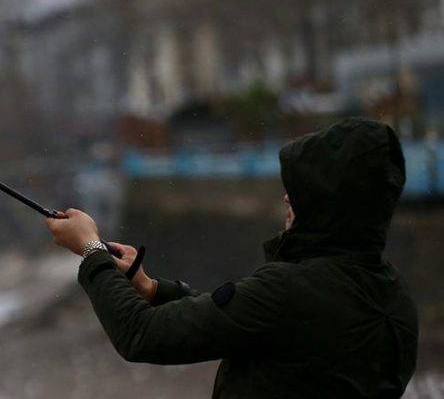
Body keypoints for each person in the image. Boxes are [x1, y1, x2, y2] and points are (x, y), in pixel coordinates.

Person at [46, 118, 419, 397]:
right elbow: (254, 326)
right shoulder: (395, 297)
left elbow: (142, 335)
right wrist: (153, 289)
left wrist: (91, 249)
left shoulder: (287, 292)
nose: (287, 198)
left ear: (330, 204)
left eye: (300, 191)